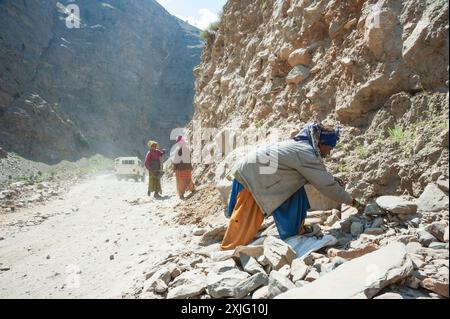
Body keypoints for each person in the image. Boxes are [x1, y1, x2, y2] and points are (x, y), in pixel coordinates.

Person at [220, 123, 363, 251]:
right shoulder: (305, 153)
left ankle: (294, 233)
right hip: (254, 179)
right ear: (321, 143)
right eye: (329, 148)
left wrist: (331, 178)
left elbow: (310, 175)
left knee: (296, 193)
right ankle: (228, 251)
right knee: (245, 221)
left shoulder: (302, 147)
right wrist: (353, 202)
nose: (329, 152)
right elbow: (327, 186)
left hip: (258, 173)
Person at [172, 135, 195, 200]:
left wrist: (174, 168)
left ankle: (181, 195)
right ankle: (192, 190)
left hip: (180, 169)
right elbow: (189, 159)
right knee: (188, 180)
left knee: (180, 183)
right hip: (187, 168)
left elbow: (176, 160)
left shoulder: (178, 150)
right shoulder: (187, 148)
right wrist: (190, 167)